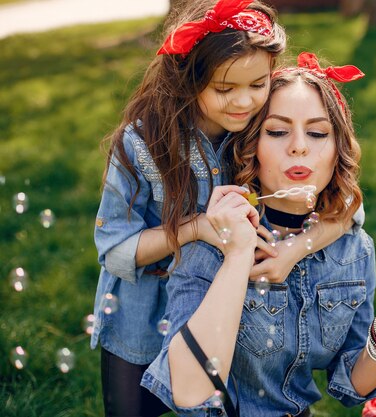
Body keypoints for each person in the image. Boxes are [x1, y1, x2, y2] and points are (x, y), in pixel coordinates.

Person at [140, 52, 376, 417]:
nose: (299, 145)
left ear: (339, 150)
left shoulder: (354, 249)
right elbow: (190, 391)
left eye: (318, 133)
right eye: (277, 131)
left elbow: (354, 385)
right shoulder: (214, 240)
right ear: (249, 146)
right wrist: (239, 255)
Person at [89, 1, 339, 415]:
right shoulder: (141, 144)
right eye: (224, 89)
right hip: (141, 318)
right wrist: (196, 228)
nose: (244, 102)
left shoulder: (268, 127)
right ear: (189, 80)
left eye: (258, 84)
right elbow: (114, 251)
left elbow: (345, 210)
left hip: (232, 316)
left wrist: (293, 252)